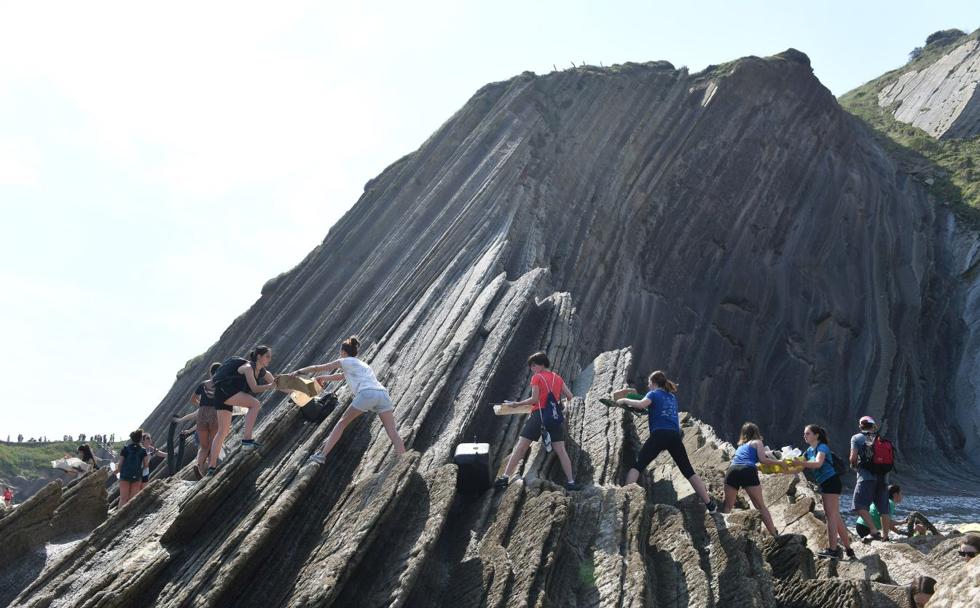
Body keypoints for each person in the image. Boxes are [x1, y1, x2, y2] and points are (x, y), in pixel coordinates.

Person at [293, 336, 406, 465]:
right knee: (392, 431)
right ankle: (403, 459)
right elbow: (341, 376)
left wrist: (299, 371)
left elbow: (318, 367)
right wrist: (324, 378)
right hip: (383, 394)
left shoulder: (345, 361)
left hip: (367, 394)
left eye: (340, 352)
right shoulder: (362, 364)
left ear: (343, 352)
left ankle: (321, 455)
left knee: (342, 423)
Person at [619, 371, 717, 511]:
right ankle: (710, 504)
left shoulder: (653, 394)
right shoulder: (672, 397)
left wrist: (625, 400)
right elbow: (659, 410)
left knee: (638, 466)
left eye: (649, 383)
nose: (648, 386)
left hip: (659, 435)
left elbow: (641, 404)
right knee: (689, 471)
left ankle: (624, 499)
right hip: (674, 436)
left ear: (654, 383)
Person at [492, 351, 581, 491]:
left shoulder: (537, 377)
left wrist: (516, 404)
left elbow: (534, 399)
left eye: (533, 365)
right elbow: (570, 396)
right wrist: (556, 403)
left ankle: (505, 477)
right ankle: (571, 482)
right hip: (554, 417)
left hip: (539, 415)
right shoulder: (557, 377)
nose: (531, 368)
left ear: (541, 364)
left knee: (521, 446)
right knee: (561, 450)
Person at [208, 346, 278, 475]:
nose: (270, 359)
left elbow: (278, 385)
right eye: (267, 356)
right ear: (259, 356)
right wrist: (270, 386)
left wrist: (294, 391)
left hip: (222, 395)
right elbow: (255, 388)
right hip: (226, 392)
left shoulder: (264, 372)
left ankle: (211, 467)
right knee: (255, 404)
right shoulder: (248, 367)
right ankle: (247, 441)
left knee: (223, 431)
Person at [802, 424, 855, 560]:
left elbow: (818, 463)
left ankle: (833, 550)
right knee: (835, 516)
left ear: (816, 435)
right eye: (804, 433)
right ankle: (849, 550)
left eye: (808, 433)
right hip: (826, 483)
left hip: (831, 482)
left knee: (830, 517)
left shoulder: (822, 447)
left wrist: (800, 463)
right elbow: (797, 467)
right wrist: (779, 465)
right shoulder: (809, 451)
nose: (805, 436)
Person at [721, 422, 782, 536]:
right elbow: (763, 460)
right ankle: (774, 534)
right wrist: (779, 462)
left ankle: (723, 533)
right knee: (760, 506)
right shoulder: (757, 442)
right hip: (748, 470)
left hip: (732, 470)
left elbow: (744, 460)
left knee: (728, 505)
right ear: (756, 432)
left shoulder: (740, 447)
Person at [850, 416, 892, 543]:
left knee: (859, 505)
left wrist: (854, 467)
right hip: (883, 479)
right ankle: (885, 536)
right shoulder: (881, 439)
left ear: (860, 426)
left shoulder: (856, 438)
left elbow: (853, 458)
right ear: (873, 426)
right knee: (884, 509)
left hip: (866, 478)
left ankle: (873, 531)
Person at [188, 362, 222, 476]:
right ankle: (211, 470)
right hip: (214, 413)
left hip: (202, 414)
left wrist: (202, 405)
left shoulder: (203, 384)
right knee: (213, 444)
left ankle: (200, 468)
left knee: (204, 446)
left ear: (210, 373)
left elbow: (192, 399)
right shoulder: (221, 385)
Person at [117, 430, 149, 507]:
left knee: (123, 498)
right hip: (137, 476)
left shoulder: (125, 449)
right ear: (140, 439)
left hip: (125, 476)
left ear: (132, 438)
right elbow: (146, 465)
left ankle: (120, 514)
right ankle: (129, 514)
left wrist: (118, 471)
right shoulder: (143, 450)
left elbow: (120, 464)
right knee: (132, 499)